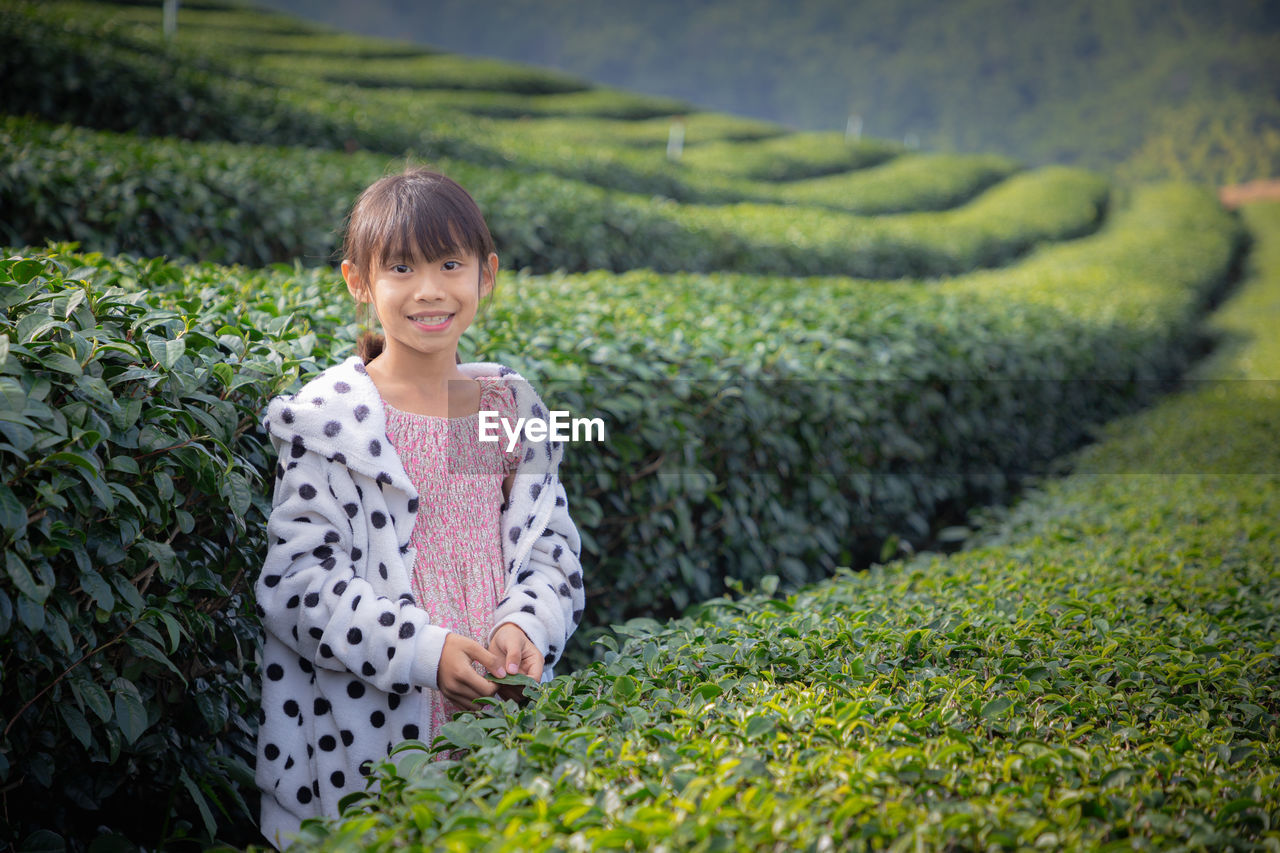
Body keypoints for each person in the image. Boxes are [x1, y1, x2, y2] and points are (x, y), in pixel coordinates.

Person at [253, 168, 585, 848]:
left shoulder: (505, 413)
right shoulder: (334, 422)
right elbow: (298, 583)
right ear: (359, 281)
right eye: (401, 266)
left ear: (486, 275)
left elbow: (552, 549)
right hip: (369, 733)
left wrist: (526, 623)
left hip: (498, 713)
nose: (430, 288)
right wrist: (422, 653)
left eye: (450, 263)